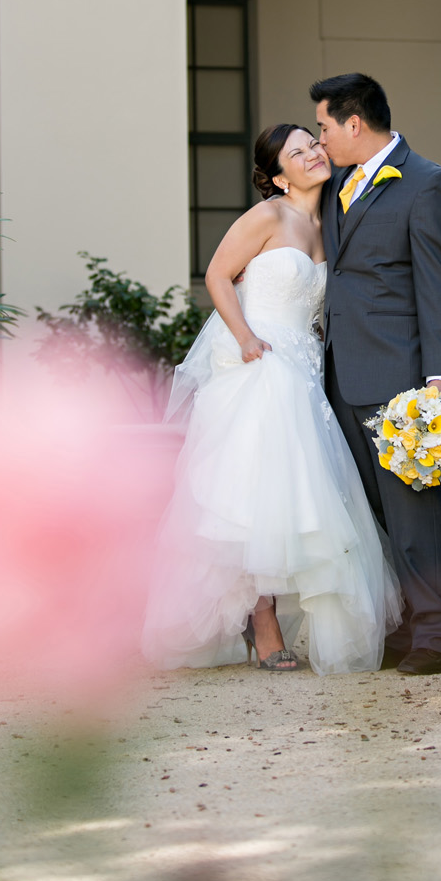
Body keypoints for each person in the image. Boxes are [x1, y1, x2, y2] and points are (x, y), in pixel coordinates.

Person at [142, 123, 401, 675]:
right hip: (257, 362)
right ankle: (263, 621)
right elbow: (217, 273)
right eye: (297, 151)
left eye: (314, 143)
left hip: (304, 367)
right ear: (279, 175)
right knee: (252, 498)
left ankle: (301, 617)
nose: (312, 153)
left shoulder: (332, 223)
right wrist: (243, 338)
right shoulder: (267, 217)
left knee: (303, 495)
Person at [311, 73, 441, 676]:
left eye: (323, 126)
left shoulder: (427, 184)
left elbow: (438, 289)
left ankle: (436, 634)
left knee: (413, 512)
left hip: (401, 379)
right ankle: (400, 625)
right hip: (340, 376)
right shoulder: (337, 185)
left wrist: (438, 383)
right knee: (371, 515)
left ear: (354, 123)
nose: (320, 140)